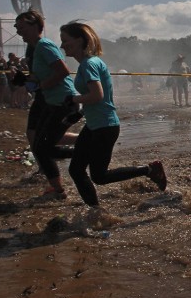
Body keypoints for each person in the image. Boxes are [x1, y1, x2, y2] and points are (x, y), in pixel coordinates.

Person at [60, 22, 167, 227]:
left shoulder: (88, 64)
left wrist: (74, 99)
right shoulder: (91, 63)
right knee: (76, 169)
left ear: (80, 40)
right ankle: (96, 213)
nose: (63, 45)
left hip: (104, 127)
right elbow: (99, 99)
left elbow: (97, 95)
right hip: (95, 125)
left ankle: (150, 170)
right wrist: (78, 113)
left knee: (99, 176)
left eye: (66, 40)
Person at [13, 10, 77, 200]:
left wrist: (40, 85)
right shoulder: (33, 47)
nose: (18, 32)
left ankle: (59, 189)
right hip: (52, 101)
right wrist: (24, 78)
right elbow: (39, 75)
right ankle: (56, 187)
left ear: (34, 26)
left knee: (42, 146)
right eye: (16, 28)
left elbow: (63, 71)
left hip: (63, 101)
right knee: (42, 143)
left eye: (21, 27)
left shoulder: (44, 45)